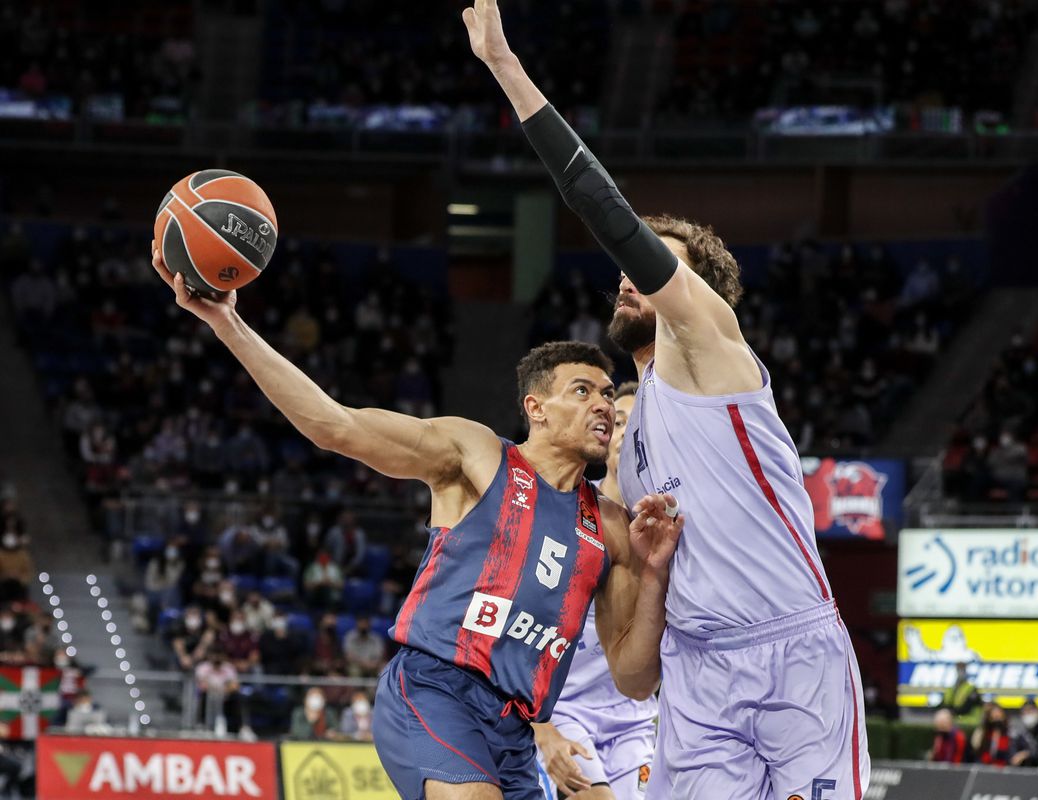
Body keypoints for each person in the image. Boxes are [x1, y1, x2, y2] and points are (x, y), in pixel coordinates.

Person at [465, 3, 867, 795]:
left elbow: (601, 206)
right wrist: (646, 580)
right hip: (696, 672)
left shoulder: (714, 346)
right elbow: (632, 675)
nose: (625, 274)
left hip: (792, 651)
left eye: (651, 263)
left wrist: (505, 68)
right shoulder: (626, 431)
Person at [150, 244, 682, 800]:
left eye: (605, 393)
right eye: (583, 390)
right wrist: (227, 321)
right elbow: (336, 426)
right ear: (536, 408)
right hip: (435, 688)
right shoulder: (478, 455)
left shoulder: (613, 528)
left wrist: (653, 575)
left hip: (515, 725)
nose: (602, 404)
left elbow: (635, 678)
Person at [533, 383, 658, 800]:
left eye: (637, 422)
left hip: (635, 718)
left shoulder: (672, 527)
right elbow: (518, 623)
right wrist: (540, 727)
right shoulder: (568, 512)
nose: (624, 431)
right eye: (618, 421)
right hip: (563, 709)